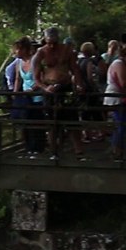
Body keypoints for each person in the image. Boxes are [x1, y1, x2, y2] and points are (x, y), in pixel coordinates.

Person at [31, 27, 85, 156]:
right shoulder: (40, 53)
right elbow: (36, 78)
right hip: (49, 89)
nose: (52, 45)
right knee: (52, 121)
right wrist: (45, 88)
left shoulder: (67, 50)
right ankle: (54, 150)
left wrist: (79, 85)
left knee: (72, 118)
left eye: (54, 42)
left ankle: (78, 150)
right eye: (49, 42)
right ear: (45, 39)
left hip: (65, 87)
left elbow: (75, 69)